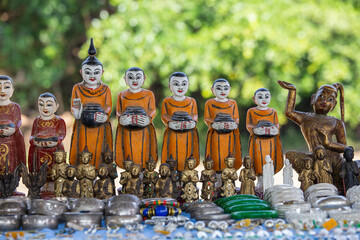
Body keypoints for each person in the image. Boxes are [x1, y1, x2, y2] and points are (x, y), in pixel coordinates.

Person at [278, 81, 346, 190]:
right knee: (290, 155)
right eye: (321, 97)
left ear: (334, 105)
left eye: (330, 99)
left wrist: (328, 143)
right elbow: (289, 112)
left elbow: (345, 148)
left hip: (333, 161)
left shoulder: (336, 122)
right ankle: (311, 179)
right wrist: (292, 91)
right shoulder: (306, 118)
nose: (324, 101)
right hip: (313, 158)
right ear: (313, 99)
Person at [69, 38, 113, 169]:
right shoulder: (77, 88)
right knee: (83, 150)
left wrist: (105, 115)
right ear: (81, 72)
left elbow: (108, 106)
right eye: (88, 72)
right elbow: (75, 105)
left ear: (102, 73)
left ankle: (100, 176)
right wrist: (77, 112)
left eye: (96, 72)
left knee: (101, 151)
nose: (92, 75)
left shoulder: (105, 89)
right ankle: (84, 176)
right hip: (83, 126)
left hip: (100, 126)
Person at [114, 67, 157, 169]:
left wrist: (148, 118)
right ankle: (129, 174)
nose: (134, 80)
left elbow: (152, 110)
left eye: (138, 77)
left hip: (144, 129)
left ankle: (143, 175)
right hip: (127, 130)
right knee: (128, 151)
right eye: (131, 77)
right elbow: (119, 111)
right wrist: (122, 119)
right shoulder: (122, 95)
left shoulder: (148, 94)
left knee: (144, 151)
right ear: (125, 79)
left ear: (144, 79)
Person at [161, 72, 199, 171]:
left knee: (188, 154)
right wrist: (170, 122)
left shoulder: (192, 101)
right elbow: (164, 115)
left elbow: (194, 115)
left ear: (188, 85)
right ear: (170, 86)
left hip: (188, 134)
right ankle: (173, 177)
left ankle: (186, 177)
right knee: (172, 154)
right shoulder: (167, 101)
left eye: (184, 84)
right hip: (173, 133)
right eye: (176, 84)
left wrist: (192, 122)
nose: (180, 87)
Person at [246, 88, 283, 185]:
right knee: (258, 160)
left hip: (270, 142)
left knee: (270, 159)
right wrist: (255, 129)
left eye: (266, 97)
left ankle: (269, 180)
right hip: (258, 142)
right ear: (254, 99)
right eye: (260, 97)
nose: (264, 99)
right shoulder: (251, 111)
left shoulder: (273, 111)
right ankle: (260, 180)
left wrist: (273, 129)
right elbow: (249, 125)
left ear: (270, 98)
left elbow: (277, 125)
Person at [204, 78, 242, 171]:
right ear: (212, 90)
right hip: (215, 135)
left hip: (230, 135)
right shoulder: (209, 103)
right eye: (219, 88)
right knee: (216, 155)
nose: (222, 91)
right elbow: (207, 118)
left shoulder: (233, 103)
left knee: (229, 154)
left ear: (230, 89)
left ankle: (229, 176)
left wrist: (234, 124)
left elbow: (236, 118)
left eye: (225, 88)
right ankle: (217, 176)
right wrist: (213, 124)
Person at [28, 93, 66, 174]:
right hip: (39, 147)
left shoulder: (59, 120)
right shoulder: (37, 121)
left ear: (56, 106)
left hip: (54, 147)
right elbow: (33, 135)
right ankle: (38, 175)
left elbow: (62, 134)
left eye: (49, 105)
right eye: (41, 104)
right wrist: (33, 141)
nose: (45, 108)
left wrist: (56, 141)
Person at [0, 75, 26, 174]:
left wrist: (13, 129)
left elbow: (18, 121)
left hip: (11, 140)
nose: (2, 90)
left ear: (12, 90)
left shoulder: (15, 107)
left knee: (10, 164)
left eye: (6, 87)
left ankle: (12, 185)